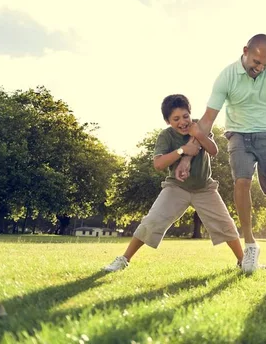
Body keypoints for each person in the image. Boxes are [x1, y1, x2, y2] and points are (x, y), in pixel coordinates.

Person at [176, 34, 266, 273]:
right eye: (256, 62)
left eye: (264, 65)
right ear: (245, 50)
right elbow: (206, 121)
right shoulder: (227, 76)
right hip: (238, 135)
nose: (259, 69)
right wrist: (186, 156)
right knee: (242, 182)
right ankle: (250, 244)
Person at [103, 94, 243, 272]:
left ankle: (242, 261)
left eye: (185, 116)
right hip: (176, 188)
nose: (183, 122)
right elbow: (159, 164)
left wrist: (199, 135)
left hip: (205, 188)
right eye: (176, 119)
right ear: (168, 121)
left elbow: (213, 150)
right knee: (152, 221)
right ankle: (123, 259)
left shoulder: (199, 126)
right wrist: (182, 150)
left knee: (226, 224)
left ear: (190, 114)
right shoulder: (166, 136)